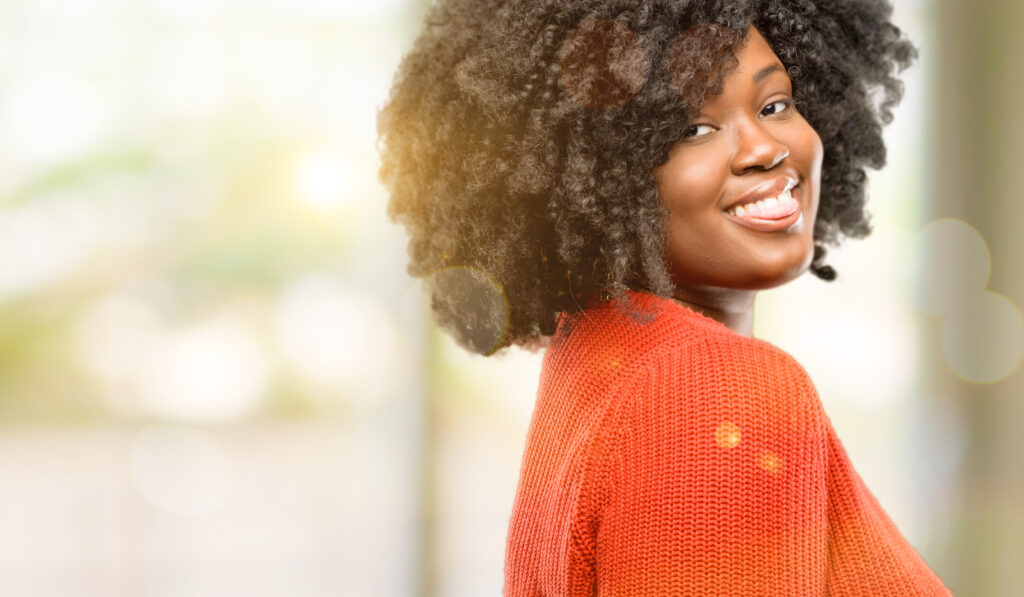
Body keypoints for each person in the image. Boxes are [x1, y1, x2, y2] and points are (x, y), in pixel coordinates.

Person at [377, 0, 953, 594]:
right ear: (597, 173)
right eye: (693, 129)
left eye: (775, 104)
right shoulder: (717, 390)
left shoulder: (599, 360)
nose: (765, 148)